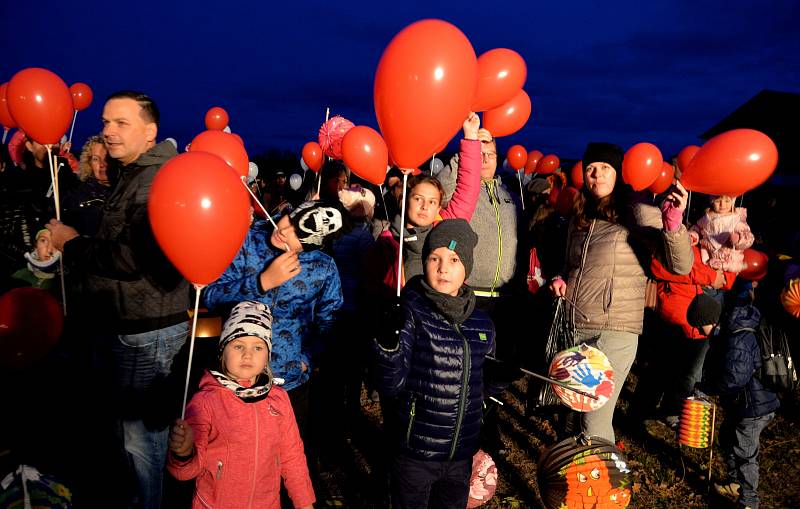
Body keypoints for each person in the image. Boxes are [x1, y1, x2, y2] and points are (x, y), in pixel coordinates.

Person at [46, 90, 190, 508]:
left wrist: (72, 243)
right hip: (127, 324)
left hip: (146, 330)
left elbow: (132, 257)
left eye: (120, 123)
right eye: (106, 121)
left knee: (142, 442)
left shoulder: (152, 180)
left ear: (150, 132)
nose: (107, 131)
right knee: (128, 439)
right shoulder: (131, 172)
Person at [549, 142, 693, 442]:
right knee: (572, 415)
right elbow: (570, 264)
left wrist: (673, 224)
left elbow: (679, 265)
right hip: (574, 324)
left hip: (614, 329)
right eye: (590, 168)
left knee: (595, 417)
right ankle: (574, 480)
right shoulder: (580, 215)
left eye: (605, 168)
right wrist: (562, 279)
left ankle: (604, 483)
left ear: (619, 174)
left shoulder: (637, 210)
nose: (596, 175)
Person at [374, 219, 496, 509]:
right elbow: (390, 383)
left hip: (460, 453)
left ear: (467, 266)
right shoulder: (410, 311)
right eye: (434, 258)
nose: (443, 268)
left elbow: (483, 388)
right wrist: (388, 346)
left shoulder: (483, 322)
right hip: (417, 450)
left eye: (454, 259)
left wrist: (500, 377)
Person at [203, 200, 349, 435]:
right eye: (290, 219)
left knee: (286, 458)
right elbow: (208, 296)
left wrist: (306, 360)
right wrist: (261, 283)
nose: (284, 230)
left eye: (299, 235)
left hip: (288, 383)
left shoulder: (324, 268)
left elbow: (331, 322)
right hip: (233, 377)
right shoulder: (247, 242)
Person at [167, 301, 315, 509]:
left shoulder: (279, 399)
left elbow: (292, 456)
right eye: (238, 346)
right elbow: (185, 472)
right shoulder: (206, 401)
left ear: (267, 355)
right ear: (222, 351)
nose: (248, 354)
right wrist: (183, 453)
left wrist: (304, 503)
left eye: (258, 347)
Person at [363, 112, 481, 302]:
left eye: (432, 201)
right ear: (406, 199)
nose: (425, 206)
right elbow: (370, 289)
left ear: (438, 207)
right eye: (418, 199)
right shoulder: (386, 241)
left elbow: (469, 187)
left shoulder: (445, 227)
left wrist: (471, 137)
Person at [465, 127, 523, 455]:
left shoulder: (509, 193)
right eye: (480, 152)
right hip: (473, 295)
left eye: (490, 153)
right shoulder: (463, 186)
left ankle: (489, 422)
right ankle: (477, 433)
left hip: (506, 297)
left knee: (500, 369)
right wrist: (467, 150)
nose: (486, 158)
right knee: (474, 369)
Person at [701, 287, 779, 509]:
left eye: (700, 325)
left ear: (710, 319)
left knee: (745, 454)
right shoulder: (729, 332)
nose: (700, 331)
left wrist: (712, 388)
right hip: (744, 404)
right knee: (727, 438)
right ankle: (736, 483)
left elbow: (735, 376)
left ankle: (749, 501)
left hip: (754, 406)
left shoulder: (738, 336)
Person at [62, 135, 112, 236]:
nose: (102, 164)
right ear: (89, 163)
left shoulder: (127, 191)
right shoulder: (75, 196)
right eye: (96, 159)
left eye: (107, 158)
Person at [690, 194, 754, 273]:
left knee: (729, 271)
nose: (722, 205)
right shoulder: (707, 217)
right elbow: (697, 229)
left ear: (732, 202)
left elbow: (748, 237)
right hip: (711, 257)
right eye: (718, 201)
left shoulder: (736, 218)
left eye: (727, 201)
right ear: (712, 202)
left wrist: (739, 238)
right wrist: (693, 236)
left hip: (730, 257)